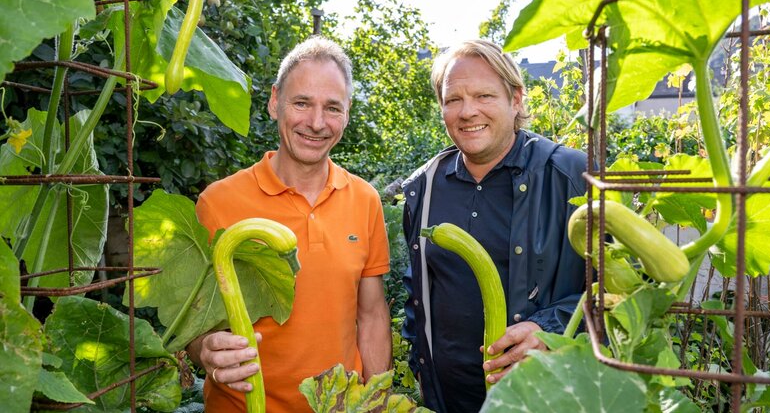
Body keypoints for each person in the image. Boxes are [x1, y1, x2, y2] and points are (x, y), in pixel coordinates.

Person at [187, 36, 392, 412]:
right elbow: (196, 326)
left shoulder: (365, 200)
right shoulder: (218, 203)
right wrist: (206, 353)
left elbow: (373, 314)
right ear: (274, 102)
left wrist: (376, 401)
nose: (316, 123)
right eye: (302, 103)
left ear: (347, 113)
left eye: (333, 108)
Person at [401, 39, 588, 412]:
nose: (468, 111)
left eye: (484, 96)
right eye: (453, 99)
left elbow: (616, 292)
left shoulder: (571, 175)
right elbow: (417, 286)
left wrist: (548, 331)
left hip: (544, 398)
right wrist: (420, 366)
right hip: (447, 400)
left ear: (515, 99)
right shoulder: (424, 186)